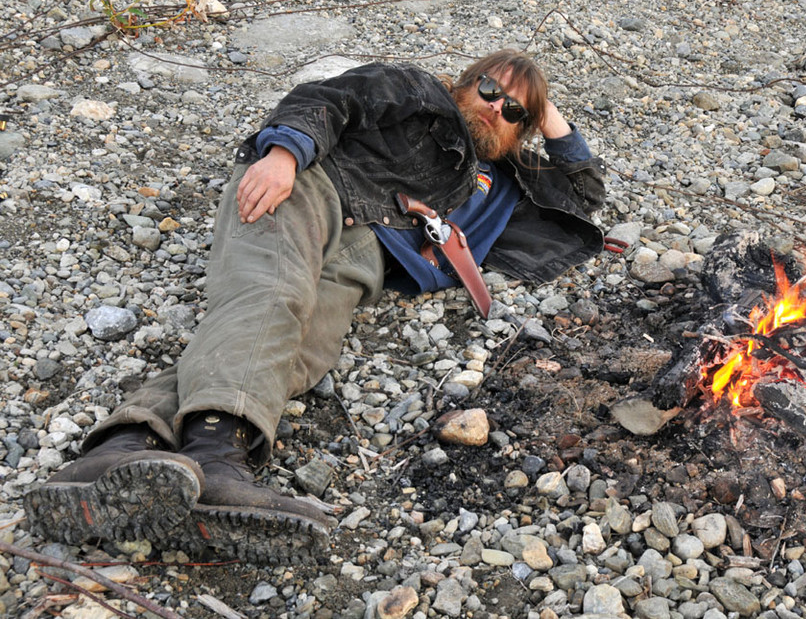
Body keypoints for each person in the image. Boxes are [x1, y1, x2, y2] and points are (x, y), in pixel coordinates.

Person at [25, 49, 606, 565]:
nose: (495, 108)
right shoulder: (417, 92)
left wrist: (546, 111)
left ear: (524, 131)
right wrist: (284, 154)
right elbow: (332, 98)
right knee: (269, 298)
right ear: (463, 83)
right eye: (489, 90)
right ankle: (221, 462)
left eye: (514, 112)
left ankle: (127, 445)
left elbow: (585, 192)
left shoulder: (510, 178)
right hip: (313, 189)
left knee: (301, 351)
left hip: (365, 258)